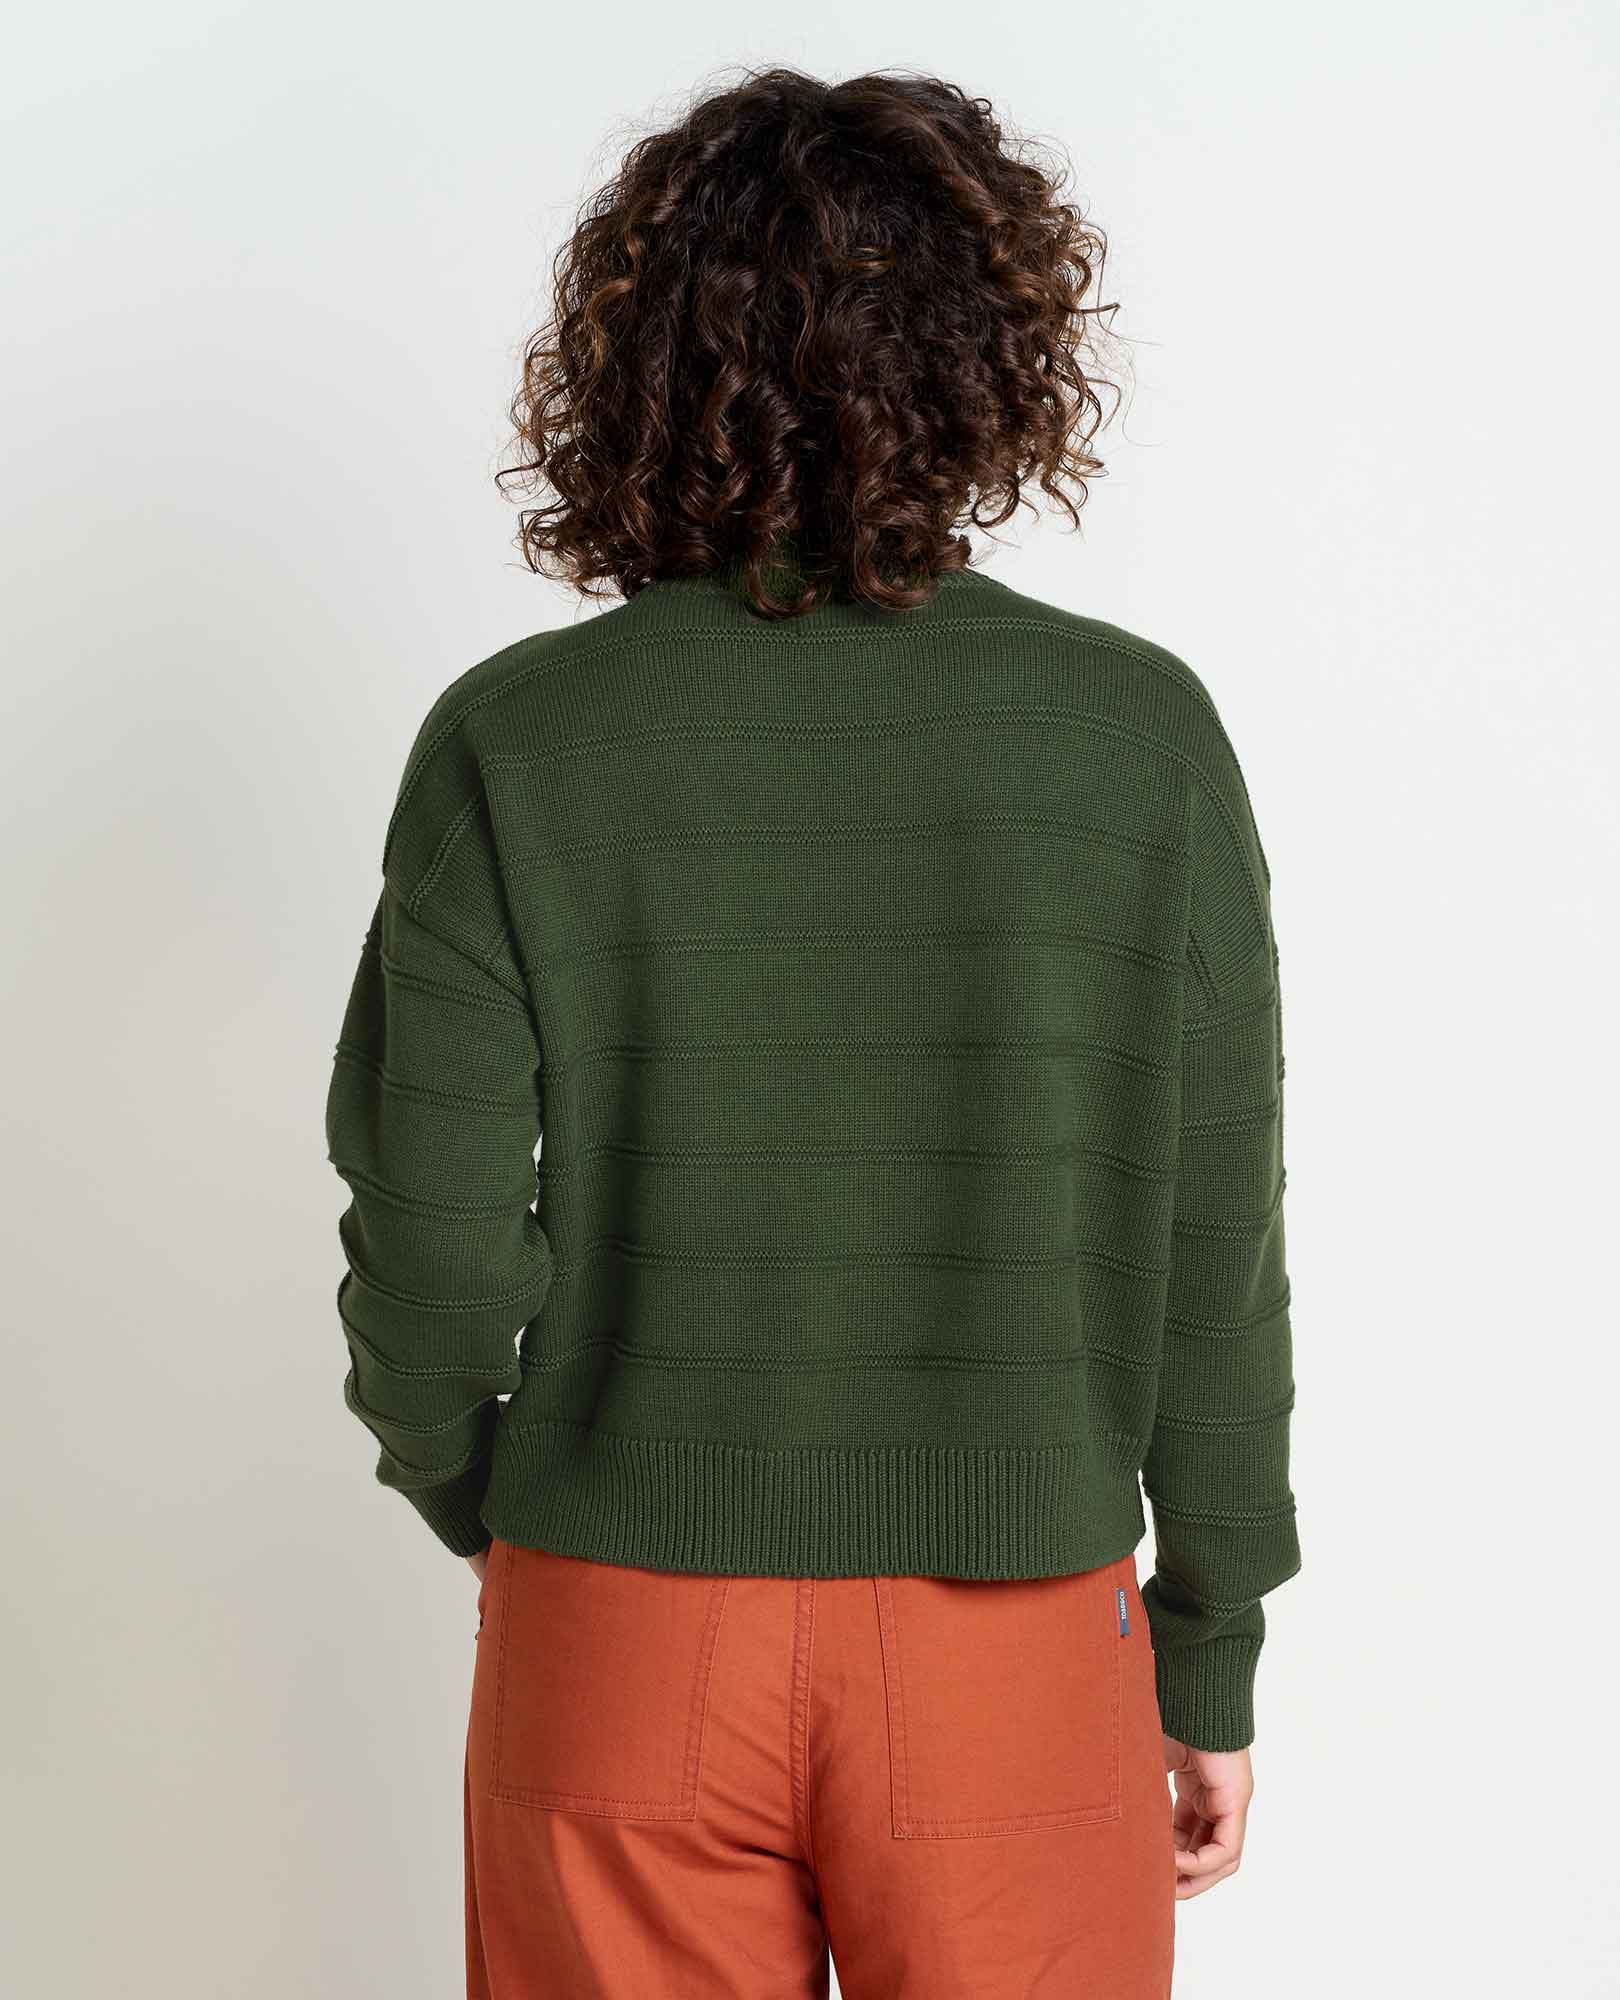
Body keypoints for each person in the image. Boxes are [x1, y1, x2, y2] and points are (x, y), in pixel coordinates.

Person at [323, 65, 1300, 2000]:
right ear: (992, 362)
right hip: (1017, 1643)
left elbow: (430, 1242)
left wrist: (481, 1496)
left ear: (636, 363)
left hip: (619, 1622)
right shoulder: (1137, 740)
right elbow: (1214, 1242)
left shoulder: (522, 738)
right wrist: (1211, 1645)